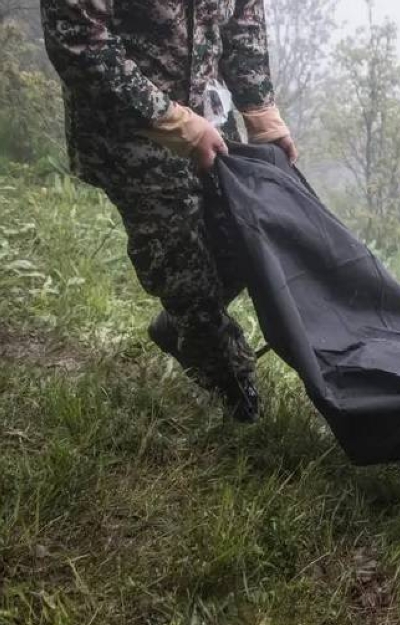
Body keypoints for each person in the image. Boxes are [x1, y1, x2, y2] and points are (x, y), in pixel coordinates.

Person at [40, 0, 298, 422]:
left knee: (247, 241)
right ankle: (231, 383)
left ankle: (178, 325)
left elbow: (243, 18)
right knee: (183, 268)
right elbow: (78, 38)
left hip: (209, 120)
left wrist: (261, 112)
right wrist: (170, 120)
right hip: (130, 129)